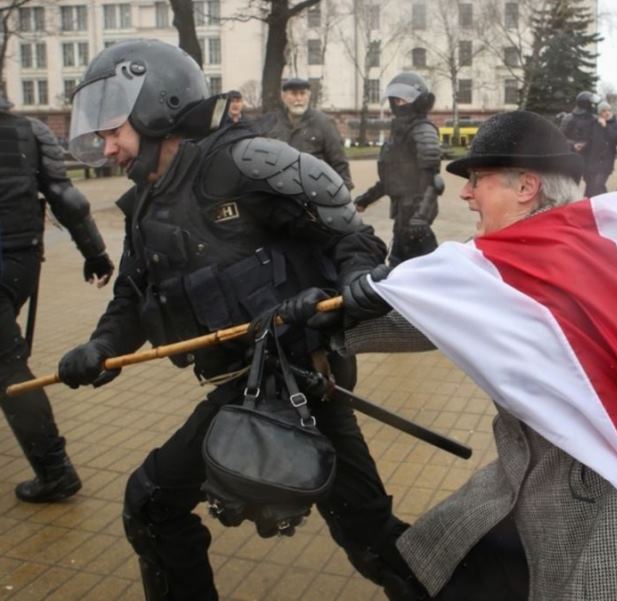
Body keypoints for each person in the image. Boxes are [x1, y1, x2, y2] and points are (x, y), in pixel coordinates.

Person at [57, 39, 419, 601]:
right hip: (246, 384)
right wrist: (101, 346)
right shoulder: (147, 201)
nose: (107, 150)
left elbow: (351, 236)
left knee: (153, 502)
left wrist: (353, 287)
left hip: (298, 378)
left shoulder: (244, 164)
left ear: (156, 107)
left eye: (114, 132)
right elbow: (132, 291)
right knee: (367, 534)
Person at [286, 111, 617, 599]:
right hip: (535, 486)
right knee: (437, 564)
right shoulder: (583, 242)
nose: (465, 193)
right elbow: (441, 306)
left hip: (598, 512)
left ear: (527, 188)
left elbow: (440, 308)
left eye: (478, 180)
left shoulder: (514, 268)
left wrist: (322, 318)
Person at [0, 95, 114, 503]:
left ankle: (55, 472)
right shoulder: (31, 130)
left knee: (8, 369)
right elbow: (67, 197)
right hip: (21, 263)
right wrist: (95, 253)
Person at [353, 72, 442, 267]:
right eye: (396, 100)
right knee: (402, 263)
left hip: (416, 215)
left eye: (404, 100)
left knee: (424, 264)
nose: (398, 104)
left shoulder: (423, 130)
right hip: (402, 213)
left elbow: (434, 181)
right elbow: (391, 179)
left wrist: (421, 217)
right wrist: (365, 200)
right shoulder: (399, 132)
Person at [255, 77, 353, 189]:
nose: (299, 98)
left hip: (314, 190)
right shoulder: (272, 122)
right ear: (283, 96)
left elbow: (339, 160)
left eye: (303, 94)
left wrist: (344, 189)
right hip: (279, 191)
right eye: (294, 94)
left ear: (309, 96)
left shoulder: (324, 123)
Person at [581, 101, 617, 196]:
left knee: (597, 185)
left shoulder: (614, 124)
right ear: (599, 113)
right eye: (604, 111)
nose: (607, 113)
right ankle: (596, 206)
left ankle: (604, 204)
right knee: (591, 187)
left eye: (609, 110)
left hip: (606, 162)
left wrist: (606, 126)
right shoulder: (593, 124)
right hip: (593, 161)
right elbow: (589, 142)